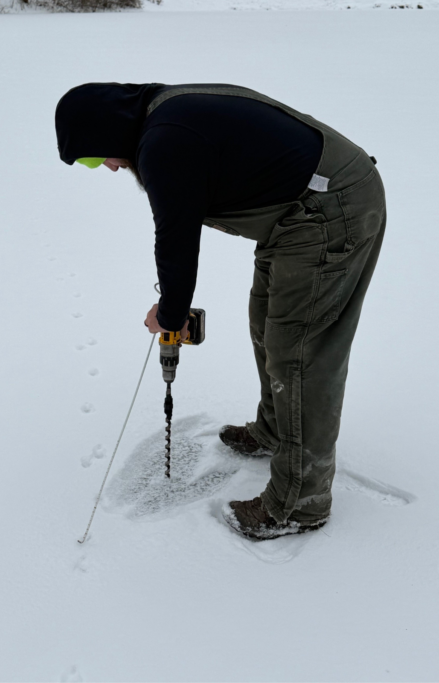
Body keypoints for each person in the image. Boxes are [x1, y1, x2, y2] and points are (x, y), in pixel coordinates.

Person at [55, 83, 386, 540]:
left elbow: (175, 241)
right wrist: (173, 310)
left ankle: (298, 504)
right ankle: (274, 431)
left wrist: (170, 315)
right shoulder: (160, 115)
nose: (109, 167)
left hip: (329, 207)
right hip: (296, 210)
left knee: (299, 352)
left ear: (106, 131)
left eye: (95, 157)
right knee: (266, 320)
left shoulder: (163, 142)